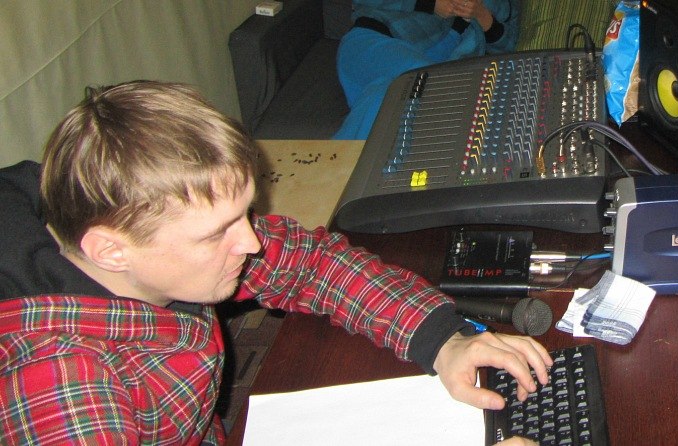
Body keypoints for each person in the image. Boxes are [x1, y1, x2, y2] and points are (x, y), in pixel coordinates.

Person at [0, 80, 549, 445]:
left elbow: (309, 263)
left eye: (243, 215)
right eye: (217, 232)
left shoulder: (145, 256)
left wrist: (442, 340)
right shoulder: (60, 384)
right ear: (110, 250)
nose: (251, 242)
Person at [333, 0, 520, 139]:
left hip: (426, 77)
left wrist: (484, 17)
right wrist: (430, 3)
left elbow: (510, 47)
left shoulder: (506, 5)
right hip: (374, 43)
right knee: (426, 86)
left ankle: (332, 171)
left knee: (386, 100)